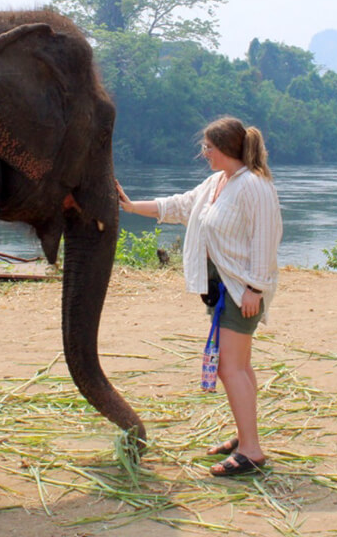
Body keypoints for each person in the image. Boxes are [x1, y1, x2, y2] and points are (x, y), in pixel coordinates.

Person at [116, 116, 282, 477]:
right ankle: (245, 436)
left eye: (207, 148)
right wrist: (129, 206)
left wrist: (255, 287)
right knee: (240, 367)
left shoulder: (254, 185)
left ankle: (251, 451)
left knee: (229, 367)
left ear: (225, 148)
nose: (203, 153)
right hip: (221, 290)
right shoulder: (217, 183)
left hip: (242, 292)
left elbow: (267, 239)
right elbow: (178, 206)